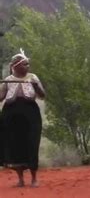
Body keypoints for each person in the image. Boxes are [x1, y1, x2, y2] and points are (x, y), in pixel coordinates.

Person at [0, 49, 45, 187]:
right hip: (11, 115)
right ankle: (20, 179)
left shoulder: (33, 78)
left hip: (30, 114)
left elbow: (42, 95)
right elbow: (1, 97)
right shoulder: (7, 80)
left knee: (31, 143)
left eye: (27, 64)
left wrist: (36, 86)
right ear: (16, 66)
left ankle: (34, 178)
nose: (27, 67)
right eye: (25, 64)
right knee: (15, 144)